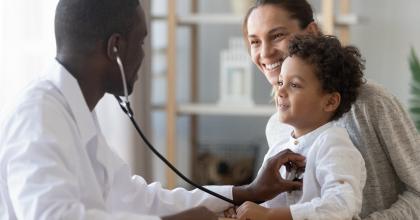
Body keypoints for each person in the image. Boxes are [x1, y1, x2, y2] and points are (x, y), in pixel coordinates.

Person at [0, 0, 307, 220]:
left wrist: (248, 192)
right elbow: (50, 216)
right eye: (142, 43)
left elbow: (139, 199)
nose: (144, 56)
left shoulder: (76, 112)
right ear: (116, 48)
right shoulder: (38, 115)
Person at [241, 0, 420, 219]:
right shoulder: (279, 127)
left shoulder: (371, 102)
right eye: (255, 41)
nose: (266, 52)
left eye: (277, 35)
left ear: (311, 32)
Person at [236, 34, 367, 220]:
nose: (280, 91)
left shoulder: (334, 146)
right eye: (281, 82)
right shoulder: (279, 149)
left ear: (330, 101)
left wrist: (269, 215)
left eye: (294, 85)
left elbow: (341, 205)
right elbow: (265, 207)